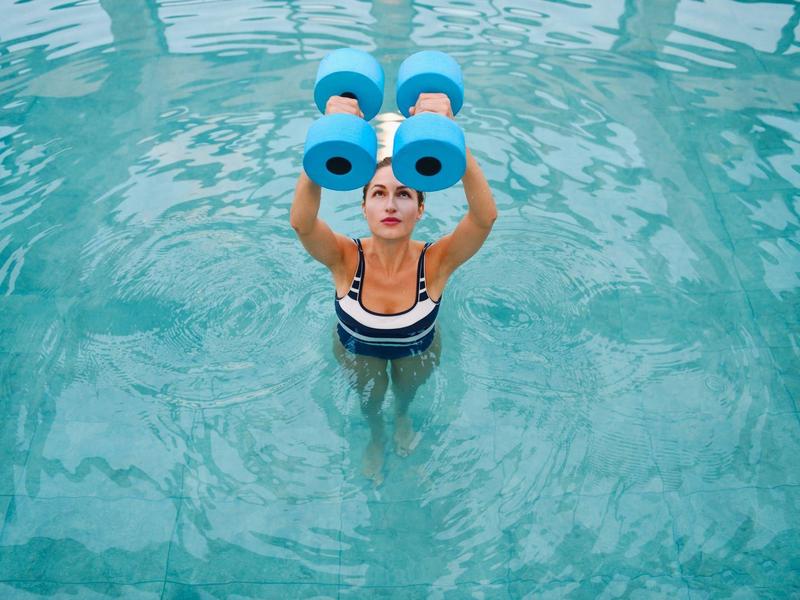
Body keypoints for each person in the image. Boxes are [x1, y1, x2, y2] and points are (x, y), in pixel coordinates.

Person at [290, 92, 497, 484]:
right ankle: (375, 435)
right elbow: (302, 222)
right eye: (379, 194)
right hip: (356, 349)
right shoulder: (344, 257)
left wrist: (453, 138)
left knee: (405, 394)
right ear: (363, 206)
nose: (390, 205)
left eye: (403, 194)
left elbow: (484, 218)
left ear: (420, 209)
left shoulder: (435, 262)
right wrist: (325, 138)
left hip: (418, 349)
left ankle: (401, 418)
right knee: (369, 400)